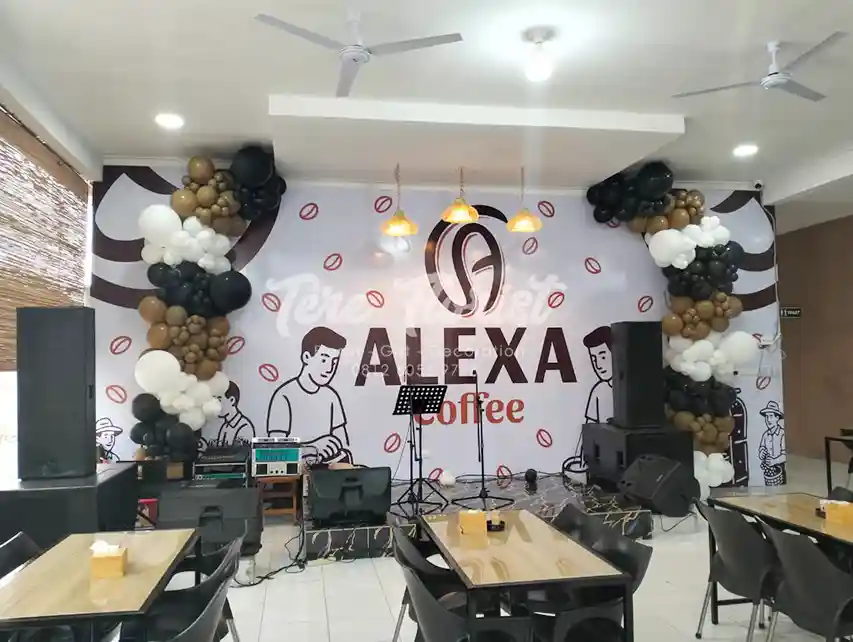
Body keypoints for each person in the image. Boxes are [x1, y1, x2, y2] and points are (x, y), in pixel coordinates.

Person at [266, 326, 352, 464]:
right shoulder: (284, 396)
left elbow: (343, 444)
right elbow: (274, 453)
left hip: (330, 472)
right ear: (306, 357)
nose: (329, 369)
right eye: (324, 360)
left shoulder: (331, 397)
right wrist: (312, 449)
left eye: (334, 362)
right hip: (296, 473)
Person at [563, 325, 613, 475]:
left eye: (603, 357)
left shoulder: (632, 389)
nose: (598, 365)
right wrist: (580, 460)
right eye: (593, 359)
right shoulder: (598, 390)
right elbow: (587, 430)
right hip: (604, 462)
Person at [758, 400, 786, 485]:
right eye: (766, 416)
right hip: (769, 473)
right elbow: (761, 449)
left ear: (777, 418)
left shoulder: (782, 434)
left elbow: (785, 455)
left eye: (771, 416)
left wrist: (774, 461)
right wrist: (761, 453)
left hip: (780, 471)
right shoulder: (765, 435)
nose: (768, 420)